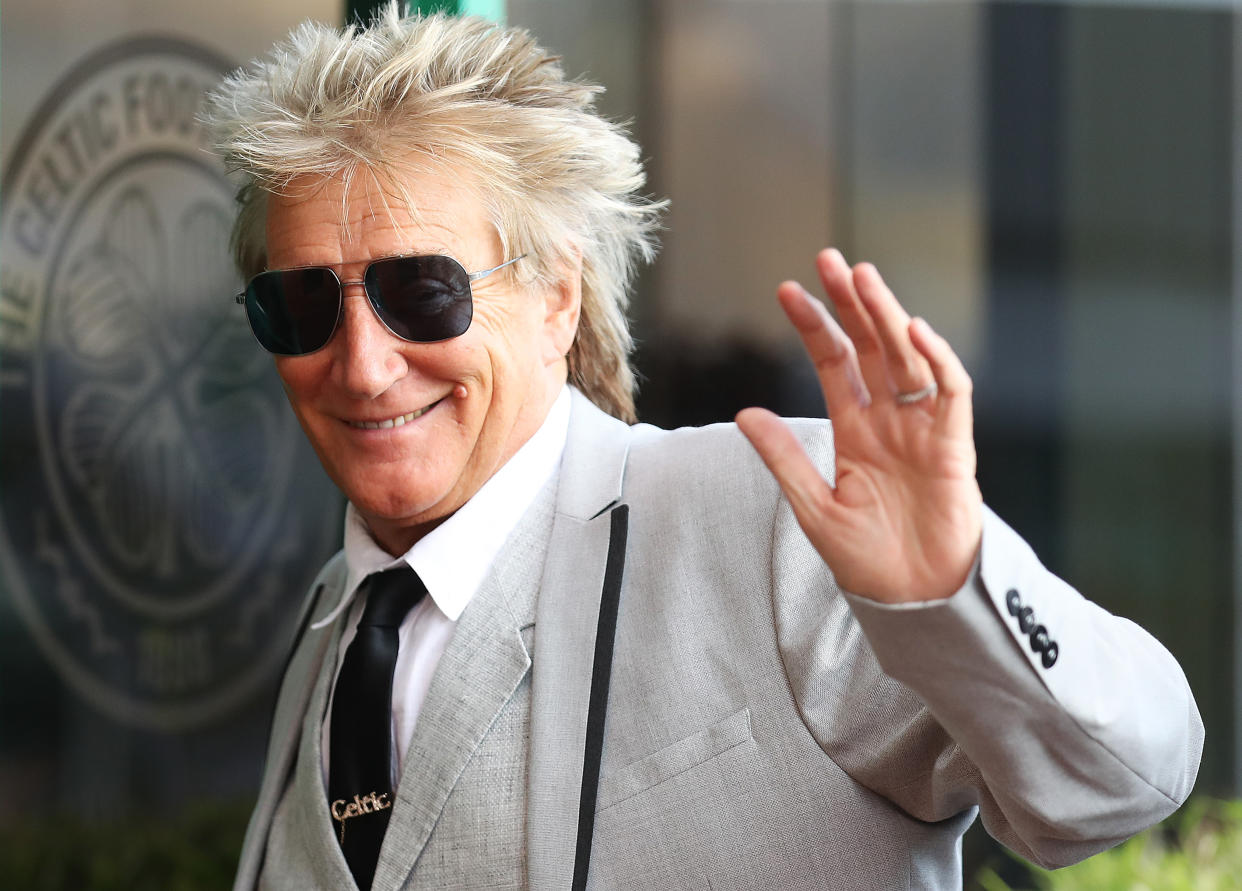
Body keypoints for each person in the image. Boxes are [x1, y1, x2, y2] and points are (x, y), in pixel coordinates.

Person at [204, 7, 1203, 890]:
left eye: (421, 291)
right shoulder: (339, 619)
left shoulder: (771, 518)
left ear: (557, 297)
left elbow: (1118, 785)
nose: (363, 365)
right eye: (300, 306)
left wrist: (955, 588)